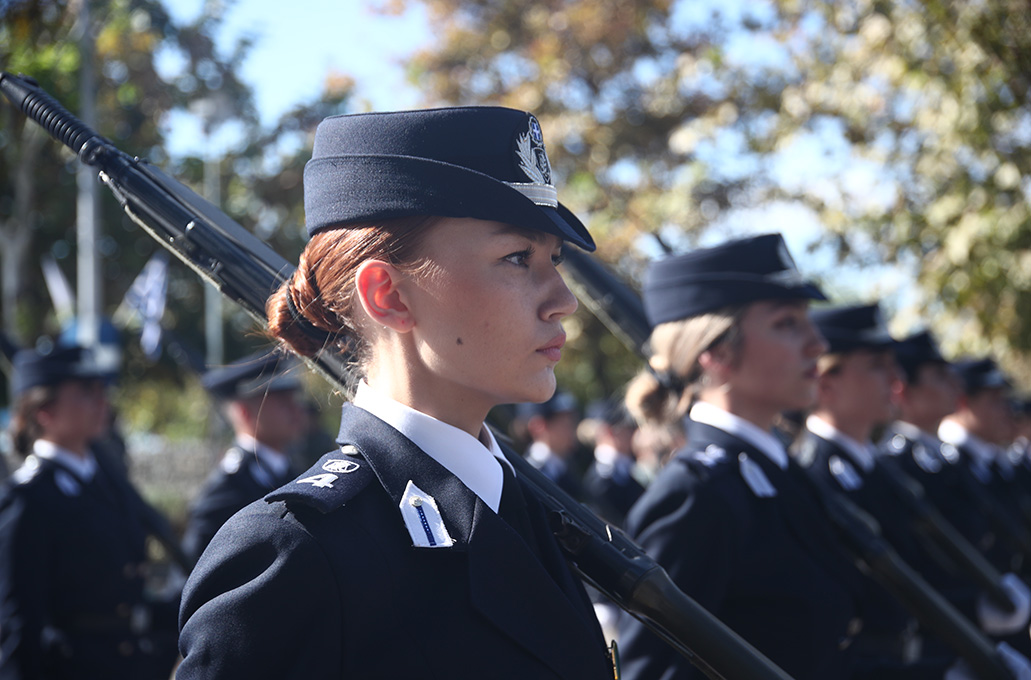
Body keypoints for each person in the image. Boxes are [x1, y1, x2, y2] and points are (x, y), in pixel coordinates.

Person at [176, 107, 614, 679]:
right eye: (516, 258)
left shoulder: (528, 508)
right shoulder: (295, 552)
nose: (563, 300)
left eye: (553, 260)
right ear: (388, 295)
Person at [616, 233, 873, 680]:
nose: (817, 344)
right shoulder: (697, 494)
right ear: (716, 354)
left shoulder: (778, 470)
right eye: (786, 324)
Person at [0, 343, 177, 680]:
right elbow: (20, 624)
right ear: (44, 411)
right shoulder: (28, 500)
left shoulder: (106, 483)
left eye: (101, 390)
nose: (101, 402)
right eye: (85, 392)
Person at [180, 350, 307, 564]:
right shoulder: (226, 492)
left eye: (293, 399)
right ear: (244, 412)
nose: (296, 409)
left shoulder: (290, 473)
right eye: (281, 401)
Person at [581, 397, 644, 526]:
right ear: (609, 432)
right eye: (627, 427)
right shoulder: (600, 480)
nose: (633, 432)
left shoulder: (623, 470)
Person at [520, 390, 586, 501]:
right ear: (538, 426)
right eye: (565, 424)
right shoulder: (532, 474)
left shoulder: (564, 468)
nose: (572, 430)